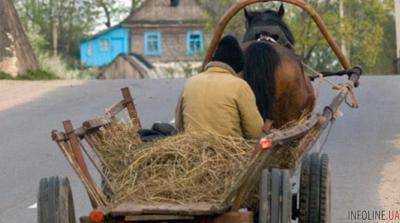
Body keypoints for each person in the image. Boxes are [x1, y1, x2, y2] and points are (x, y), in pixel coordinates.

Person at [175, 35, 264, 139]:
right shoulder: (239, 86)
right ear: (236, 66)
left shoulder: (190, 83)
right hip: (230, 151)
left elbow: (178, 125)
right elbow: (255, 132)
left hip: (192, 151)